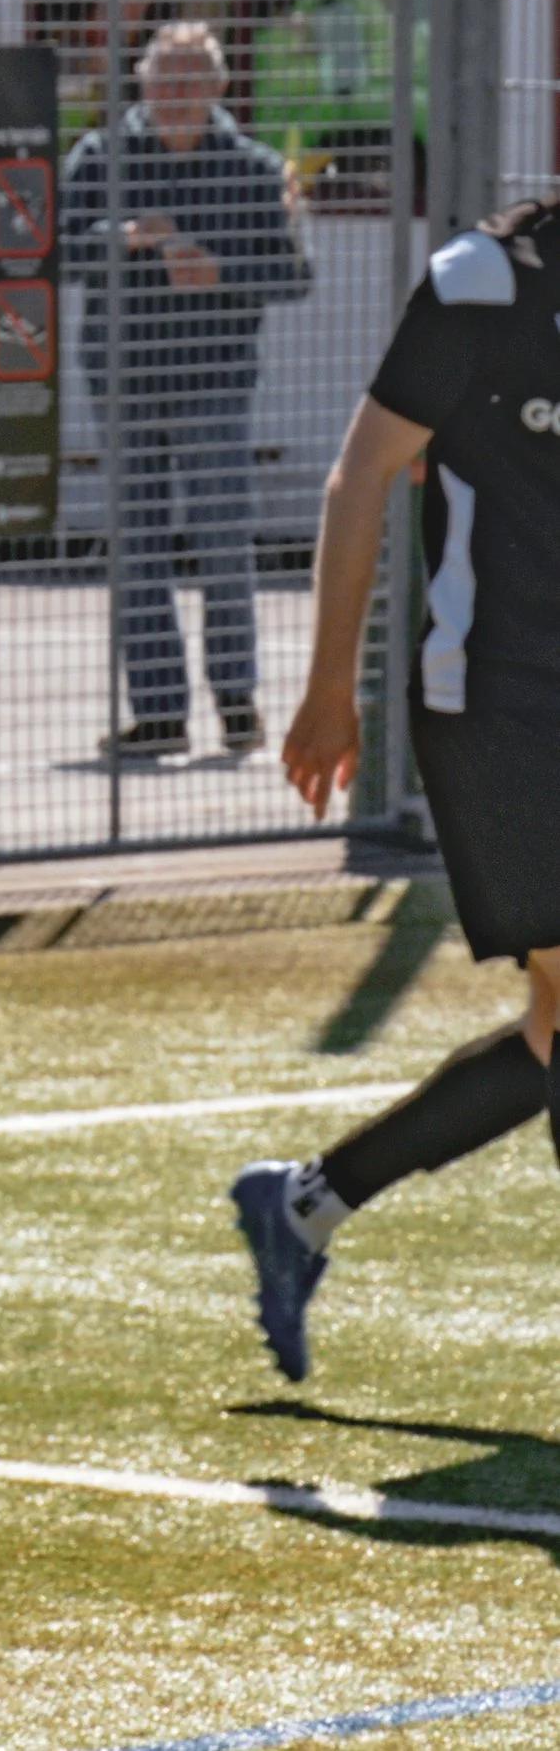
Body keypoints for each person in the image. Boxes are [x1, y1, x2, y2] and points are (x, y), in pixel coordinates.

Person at [232, 190, 560, 1383]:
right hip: (497, 703)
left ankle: (306, 1204)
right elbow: (361, 475)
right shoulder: (482, 282)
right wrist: (329, 687)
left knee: (550, 1028)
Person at [62, 20, 310, 758]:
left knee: (223, 541)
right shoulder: (100, 155)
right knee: (137, 546)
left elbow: (297, 275)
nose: (175, 94)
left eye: (190, 80)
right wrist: (126, 235)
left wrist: (222, 272)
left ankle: (237, 701)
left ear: (218, 87)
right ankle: (160, 712)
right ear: (140, 82)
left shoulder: (257, 168)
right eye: (163, 79)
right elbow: (52, 247)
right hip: (123, 378)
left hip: (216, 379)